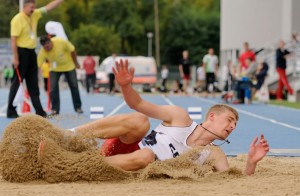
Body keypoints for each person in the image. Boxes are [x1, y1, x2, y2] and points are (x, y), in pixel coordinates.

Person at [40, 59, 270, 175]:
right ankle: (65, 136)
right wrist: (126, 87)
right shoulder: (180, 117)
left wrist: (250, 163)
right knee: (140, 121)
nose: (232, 126)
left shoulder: (214, 153)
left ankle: (71, 166)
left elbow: (231, 179)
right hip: (122, 151)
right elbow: (137, 103)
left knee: (147, 157)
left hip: (135, 167)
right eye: (230, 120)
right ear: (212, 116)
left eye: (235, 125)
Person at [7, 0, 64, 118]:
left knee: (33, 83)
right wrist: (16, 58)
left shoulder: (35, 14)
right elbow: (13, 39)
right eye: (31, 7)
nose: (33, 10)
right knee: (17, 82)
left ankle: (39, 111)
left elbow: (49, 7)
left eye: (34, 7)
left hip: (32, 52)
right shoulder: (17, 19)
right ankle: (11, 110)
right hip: (21, 52)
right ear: (25, 6)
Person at [38, 35, 83, 116]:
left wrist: (76, 63)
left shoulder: (61, 42)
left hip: (69, 66)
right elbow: (38, 65)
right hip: (55, 69)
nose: (47, 48)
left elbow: (72, 50)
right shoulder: (42, 51)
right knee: (53, 88)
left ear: (51, 42)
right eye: (45, 47)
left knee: (74, 85)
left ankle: (78, 107)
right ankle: (55, 109)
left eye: (48, 45)